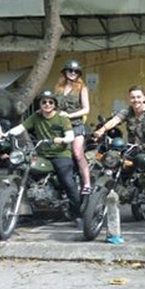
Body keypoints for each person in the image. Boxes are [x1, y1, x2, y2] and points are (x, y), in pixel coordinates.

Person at [3, 90, 81, 224]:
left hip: (61, 155)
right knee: (25, 172)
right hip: (42, 155)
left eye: (50, 102)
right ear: (40, 104)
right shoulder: (35, 117)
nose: (47, 104)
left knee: (67, 182)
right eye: (44, 102)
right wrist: (6, 134)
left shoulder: (62, 118)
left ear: (54, 104)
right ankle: (24, 211)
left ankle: (78, 215)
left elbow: (70, 136)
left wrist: (62, 140)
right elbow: (20, 128)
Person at [93, 85, 145, 192]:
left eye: (138, 97)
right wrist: (102, 130)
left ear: (144, 98)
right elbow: (115, 120)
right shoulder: (127, 111)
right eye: (133, 97)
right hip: (132, 146)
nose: (136, 100)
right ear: (129, 99)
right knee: (117, 161)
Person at [54, 59, 92, 195]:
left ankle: (87, 183)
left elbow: (86, 109)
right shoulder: (58, 88)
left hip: (76, 125)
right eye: (70, 70)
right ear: (65, 72)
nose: (73, 73)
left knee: (77, 152)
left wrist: (69, 116)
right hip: (59, 127)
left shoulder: (82, 88)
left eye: (76, 71)